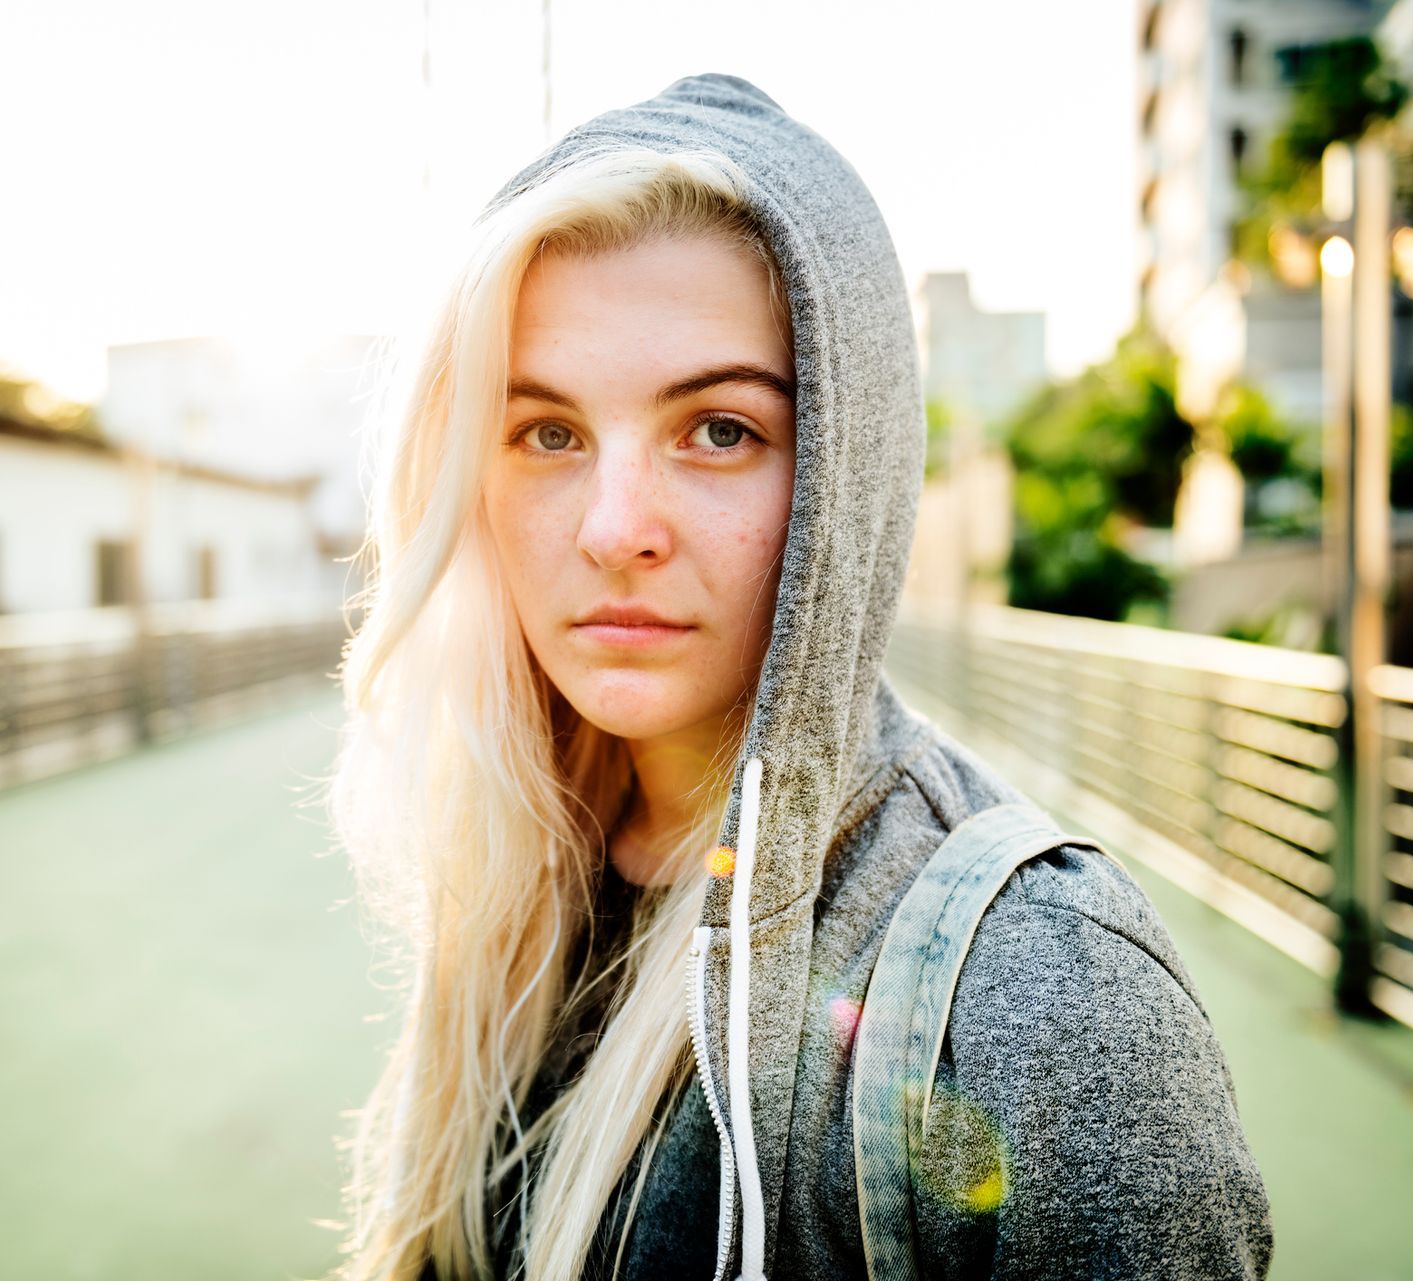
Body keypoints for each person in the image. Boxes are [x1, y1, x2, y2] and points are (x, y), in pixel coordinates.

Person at [323, 72, 1274, 1281]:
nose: (616, 529)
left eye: (720, 430)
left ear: (841, 472)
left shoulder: (1046, 993)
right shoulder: (517, 857)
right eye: (547, 433)